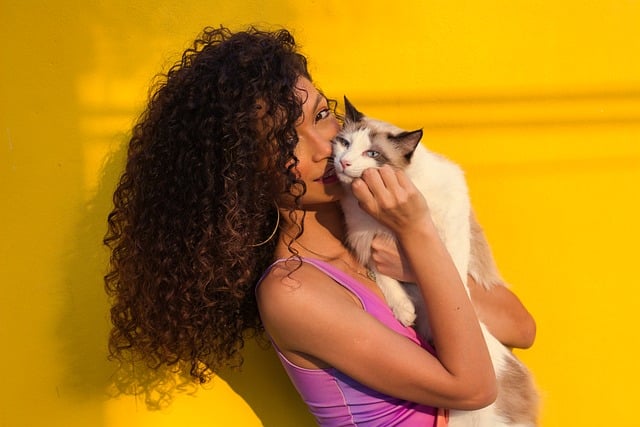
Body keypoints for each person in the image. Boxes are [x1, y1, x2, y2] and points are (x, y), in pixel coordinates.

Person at [104, 26, 536, 426]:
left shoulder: (375, 234)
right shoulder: (293, 291)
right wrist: (420, 235)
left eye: (322, 114)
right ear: (245, 174)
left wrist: (412, 267)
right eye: (285, 139)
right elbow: (475, 388)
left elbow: (520, 327)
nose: (323, 147)